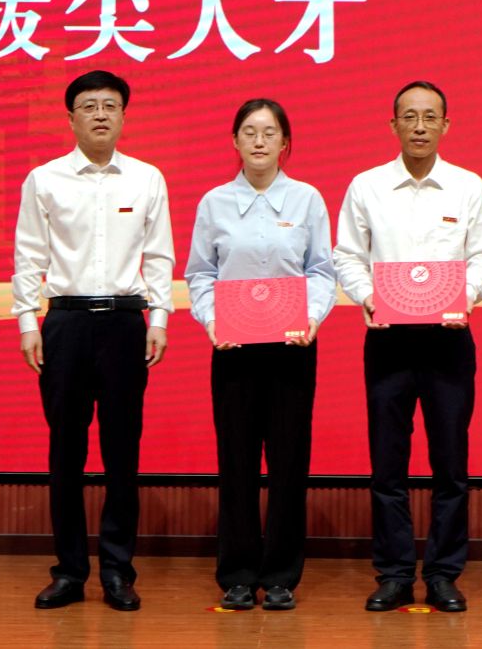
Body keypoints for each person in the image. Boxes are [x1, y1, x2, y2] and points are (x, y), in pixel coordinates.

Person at [332, 80, 482, 613]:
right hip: (389, 341)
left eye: (430, 117)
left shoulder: (468, 186)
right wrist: (368, 296)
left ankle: (445, 574)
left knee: (450, 465)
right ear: (394, 125)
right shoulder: (367, 186)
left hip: (449, 340)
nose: (420, 126)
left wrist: (462, 300)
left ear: (446, 125)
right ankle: (395, 574)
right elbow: (346, 255)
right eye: (409, 116)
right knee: (388, 465)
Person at [13, 69, 173, 612]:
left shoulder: (147, 178)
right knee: (66, 451)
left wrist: (159, 319)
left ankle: (118, 572)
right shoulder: (45, 179)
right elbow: (28, 255)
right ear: (71, 118)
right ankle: (69, 571)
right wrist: (28, 323)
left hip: (126, 324)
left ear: (124, 115)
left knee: (123, 451)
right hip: (66, 323)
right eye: (89, 105)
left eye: (110, 105)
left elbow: (159, 255)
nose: (100, 114)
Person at [184, 98, 336, 612]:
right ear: (234, 141)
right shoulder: (214, 203)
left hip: (293, 348)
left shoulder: (307, 199)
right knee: (237, 462)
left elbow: (321, 271)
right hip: (234, 349)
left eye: (269, 133)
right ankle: (238, 574)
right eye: (249, 132)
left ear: (285, 143)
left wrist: (311, 319)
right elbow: (200, 273)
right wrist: (212, 322)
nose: (259, 141)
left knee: (290, 463)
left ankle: (282, 575)